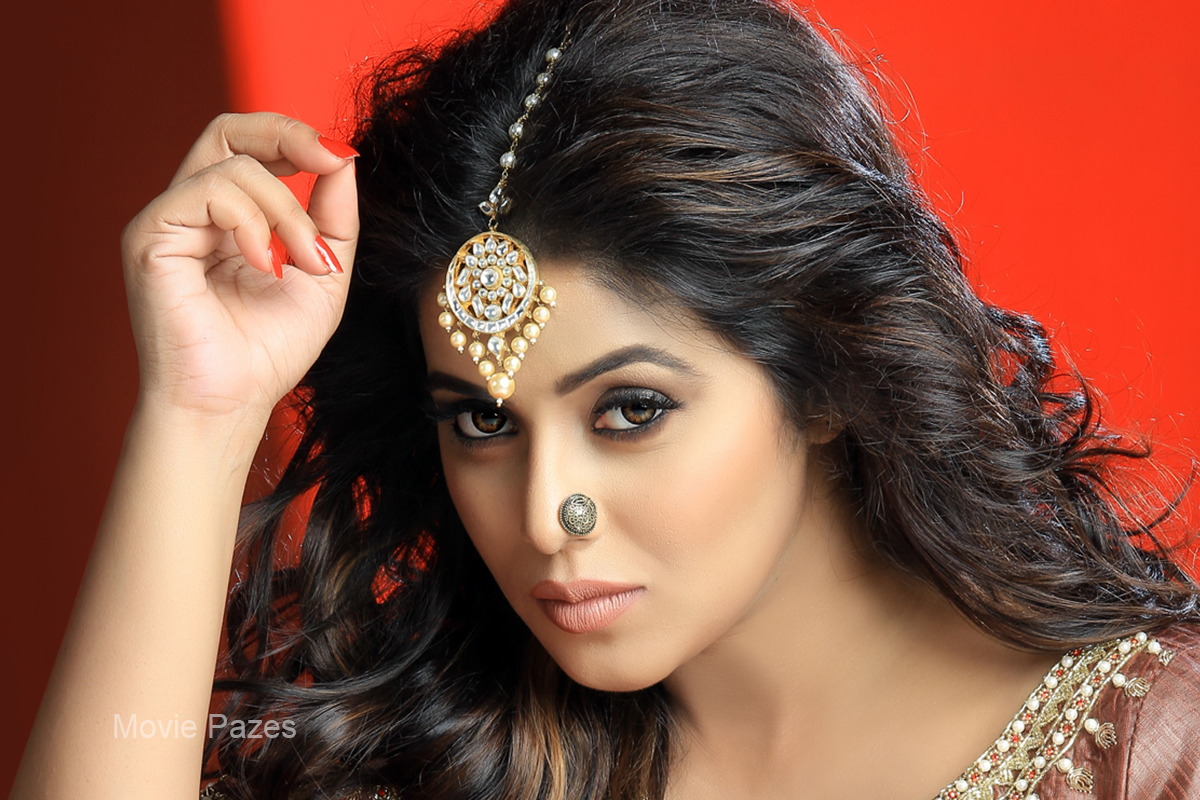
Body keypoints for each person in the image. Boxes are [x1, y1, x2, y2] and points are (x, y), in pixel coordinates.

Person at [11, 0, 1200, 798]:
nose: (547, 513)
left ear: (824, 373)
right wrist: (198, 415)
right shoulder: (463, 753)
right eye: (484, 421)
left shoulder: (1154, 751)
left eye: (629, 409)